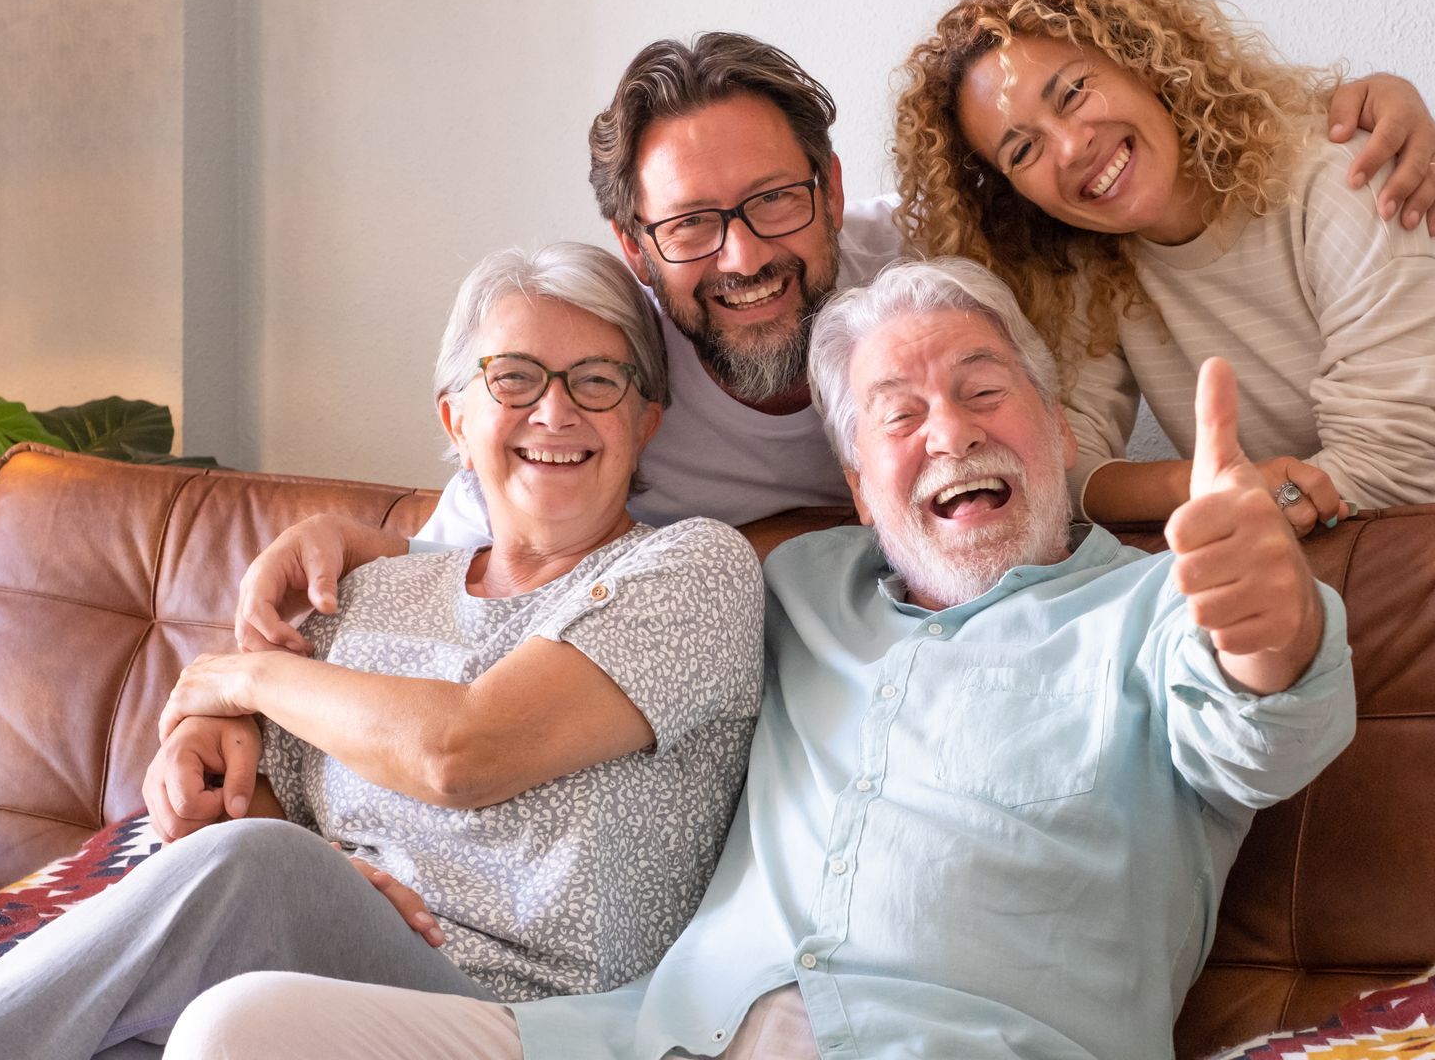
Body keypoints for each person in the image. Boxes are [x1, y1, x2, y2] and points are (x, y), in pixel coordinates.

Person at [164, 257, 1357, 1060]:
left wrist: (1268, 621)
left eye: (986, 390)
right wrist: (346, 556)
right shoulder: (786, 585)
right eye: (897, 413)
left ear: (1055, 428)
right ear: (855, 484)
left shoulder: (1161, 605)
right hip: (638, 1035)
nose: (949, 428)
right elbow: (527, 548)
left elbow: (1261, 728)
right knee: (238, 1027)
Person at [229, 31, 1435, 653]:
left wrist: (1352, 98)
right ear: (634, 241)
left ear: (827, 183)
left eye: (774, 201)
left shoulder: (927, 290)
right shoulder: (597, 363)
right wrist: (236, 689)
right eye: (694, 226)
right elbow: (464, 550)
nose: (747, 256)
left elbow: (1116, 176)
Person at [0, 243, 764, 1059]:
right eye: (515, 378)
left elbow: (460, 752)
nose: (555, 409)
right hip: (326, 982)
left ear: (647, 419)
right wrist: (327, 874)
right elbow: (236, 812)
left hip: (528, 1019)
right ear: (456, 418)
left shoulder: (691, 570)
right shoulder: (361, 594)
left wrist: (239, 676)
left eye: (598, 380)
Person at [893, 0, 1435, 533]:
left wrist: (1240, 501)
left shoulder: (1349, 180)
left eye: (1074, 92)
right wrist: (1201, 481)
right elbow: (1057, 461)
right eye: (1022, 150)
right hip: (1347, 592)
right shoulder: (1094, 267)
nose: (1070, 148)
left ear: (1142, 59)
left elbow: (1383, 472)